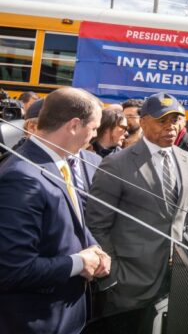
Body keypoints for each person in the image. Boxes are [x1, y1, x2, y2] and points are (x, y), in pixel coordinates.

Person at [86, 92, 188, 334]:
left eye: (176, 119)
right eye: (162, 120)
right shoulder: (116, 164)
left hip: (176, 283)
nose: (171, 127)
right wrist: (114, 276)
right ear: (143, 121)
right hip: (129, 288)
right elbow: (96, 224)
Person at [0, 87, 110, 334]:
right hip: (35, 322)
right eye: (93, 128)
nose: (94, 136)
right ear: (73, 125)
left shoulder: (60, 161)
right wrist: (80, 262)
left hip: (63, 318)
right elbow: (12, 269)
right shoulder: (22, 177)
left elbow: (71, 221)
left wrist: (92, 247)